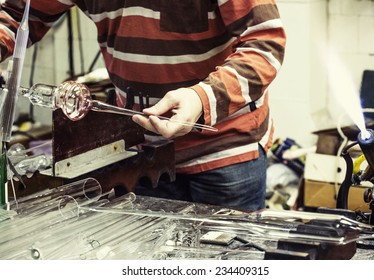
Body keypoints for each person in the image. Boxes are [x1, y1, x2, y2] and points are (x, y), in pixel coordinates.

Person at [0, 1, 286, 211]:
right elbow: (19, 13)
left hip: (225, 149)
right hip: (145, 148)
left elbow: (265, 44)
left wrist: (201, 98)